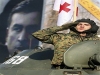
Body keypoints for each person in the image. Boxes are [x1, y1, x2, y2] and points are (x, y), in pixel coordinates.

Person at [32, 18, 99, 69]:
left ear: (92, 27)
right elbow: (38, 34)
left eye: (86, 25)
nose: (82, 26)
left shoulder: (97, 40)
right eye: (79, 24)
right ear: (74, 26)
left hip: (89, 68)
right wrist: (62, 27)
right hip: (61, 68)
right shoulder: (61, 37)